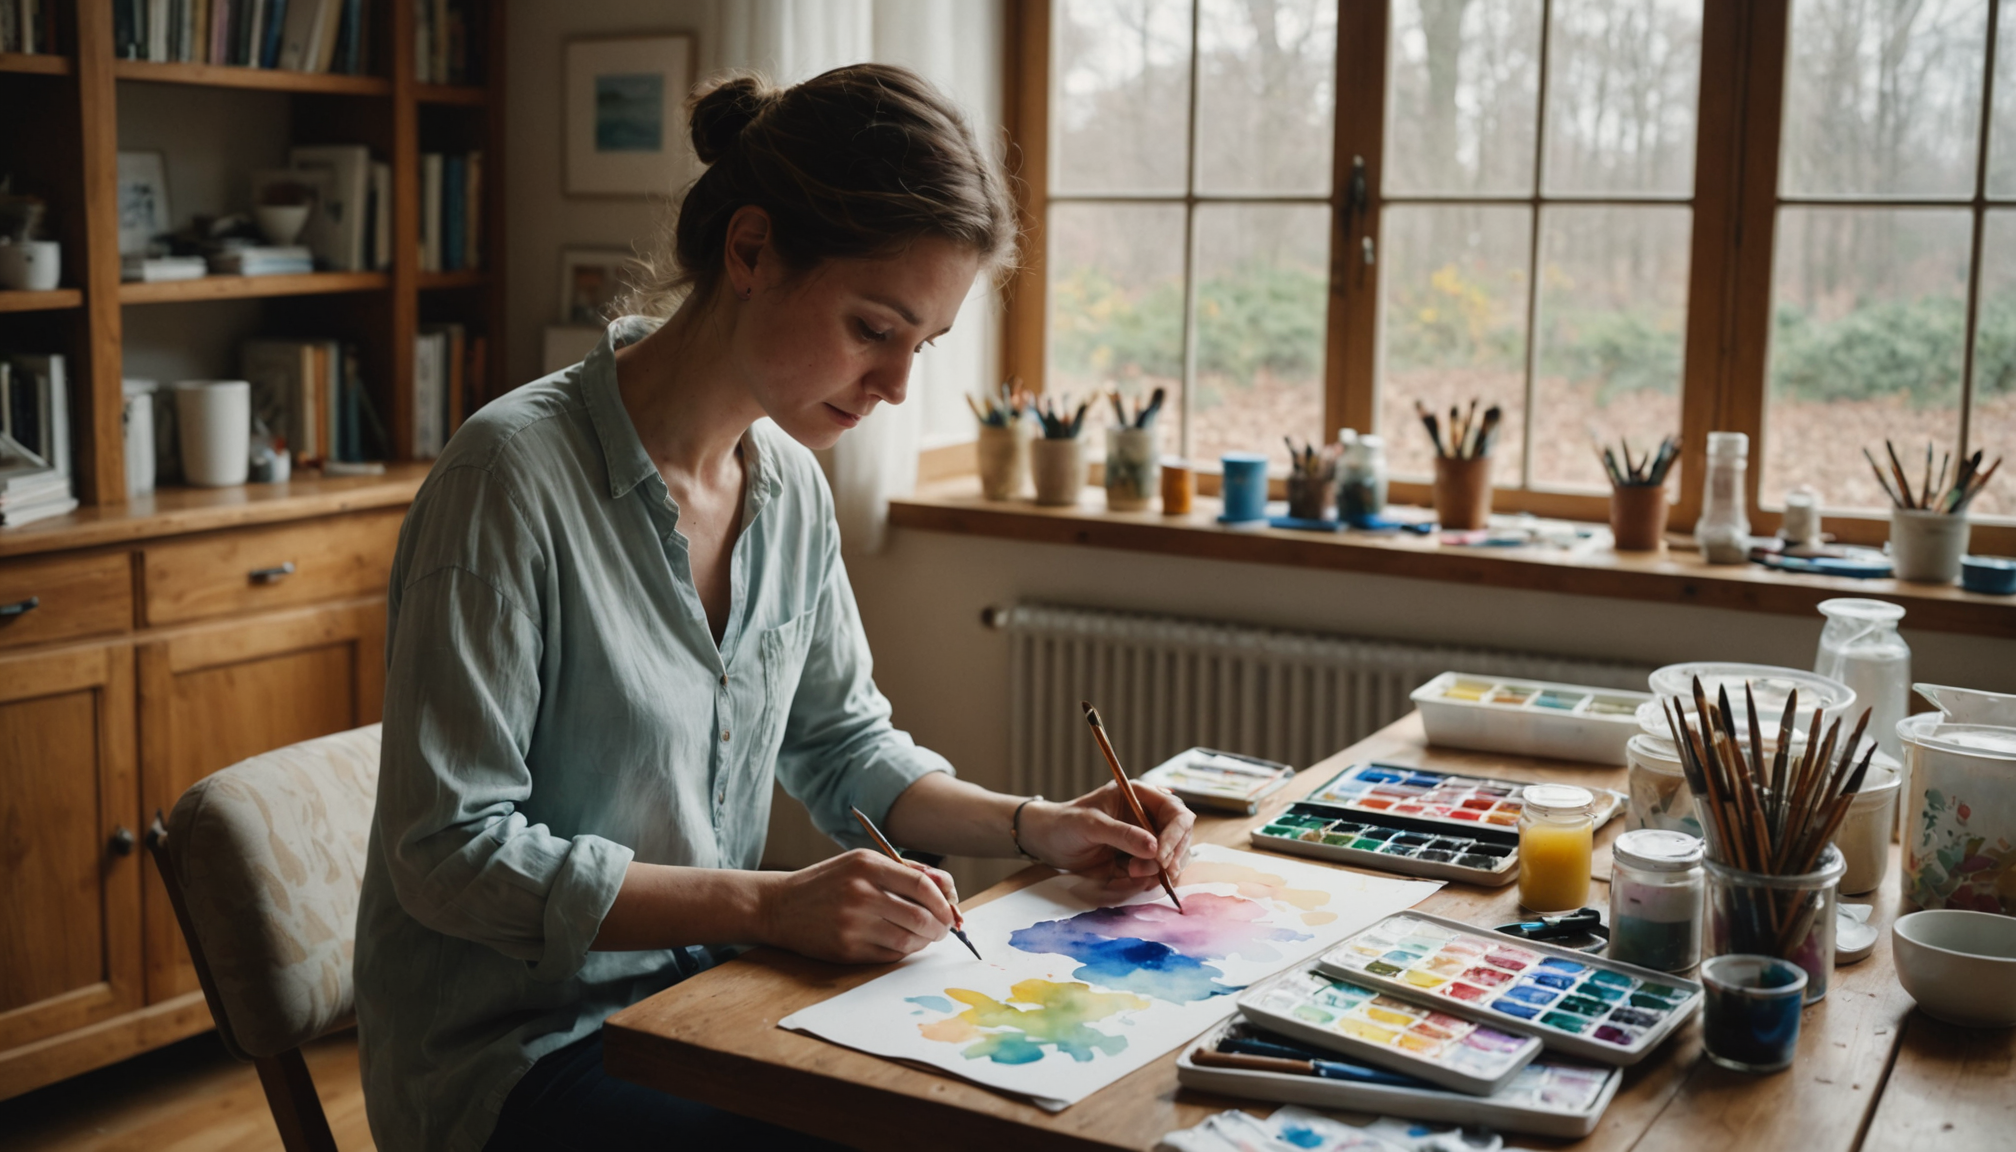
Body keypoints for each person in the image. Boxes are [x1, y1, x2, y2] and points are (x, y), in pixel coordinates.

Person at [354, 64, 1196, 1152]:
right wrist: (768, 906)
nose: (897, 384)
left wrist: (1042, 828)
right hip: (516, 1063)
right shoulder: (507, 481)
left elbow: (844, 747)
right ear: (750, 251)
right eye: (871, 328)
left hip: (709, 1007)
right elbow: (449, 856)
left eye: (922, 346)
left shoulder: (790, 484)